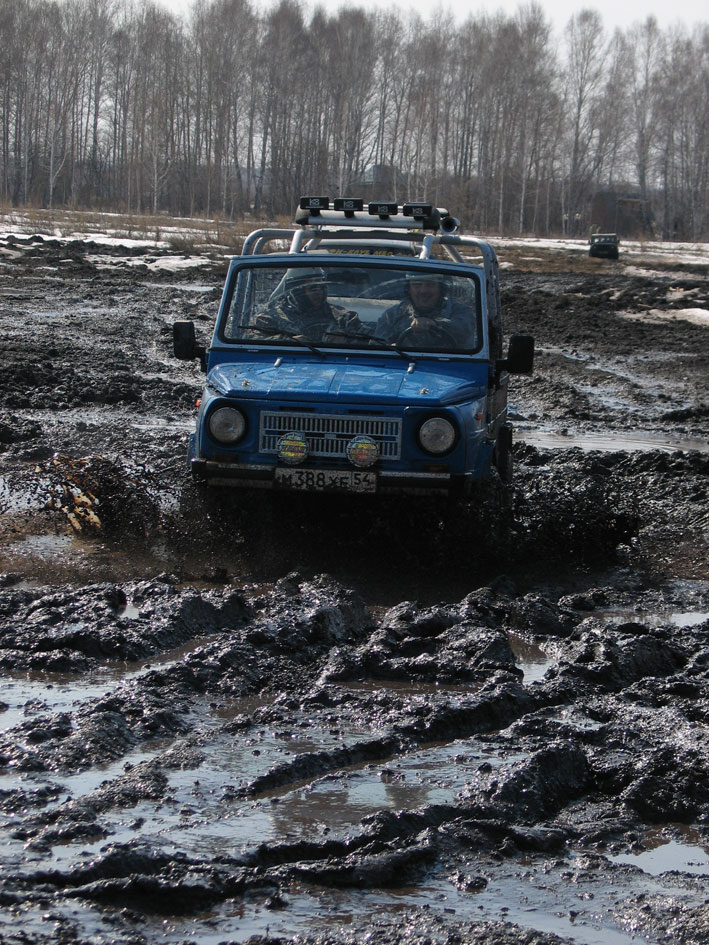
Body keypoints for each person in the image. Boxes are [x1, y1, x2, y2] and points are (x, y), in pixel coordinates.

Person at [248, 267, 367, 343]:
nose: (319, 292)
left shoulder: (342, 316)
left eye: (321, 287)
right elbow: (252, 340)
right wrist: (288, 341)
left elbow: (369, 338)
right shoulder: (271, 318)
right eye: (313, 288)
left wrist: (345, 339)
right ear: (296, 291)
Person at [375, 272, 476, 347]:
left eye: (430, 284)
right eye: (417, 285)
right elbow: (377, 345)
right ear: (408, 289)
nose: (423, 291)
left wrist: (435, 324)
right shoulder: (393, 315)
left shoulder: (460, 311)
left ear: (441, 289)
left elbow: (463, 328)